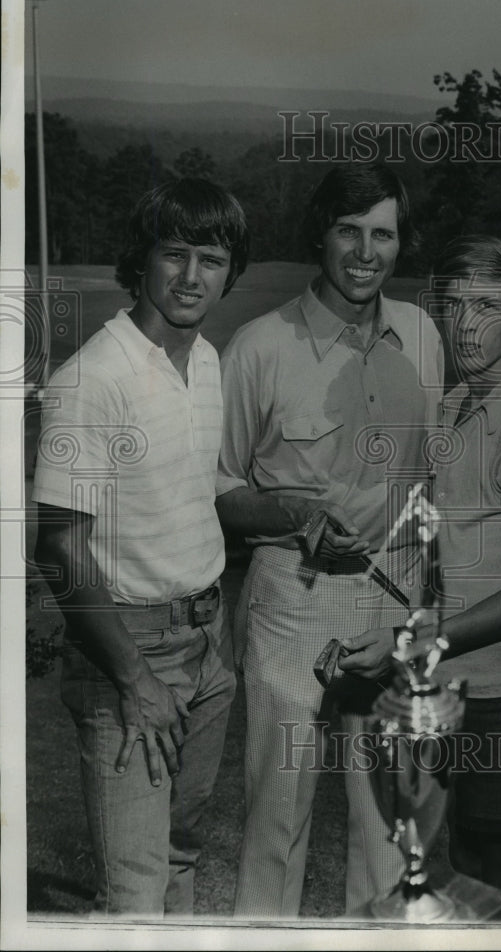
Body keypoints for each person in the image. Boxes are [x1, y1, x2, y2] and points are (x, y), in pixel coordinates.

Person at [215, 162, 444, 919]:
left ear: (400, 245)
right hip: (293, 598)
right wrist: (295, 517)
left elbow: (432, 484)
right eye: (349, 230)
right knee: (277, 819)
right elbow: (220, 491)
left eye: (383, 234)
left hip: (393, 603)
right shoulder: (259, 346)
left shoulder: (421, 334)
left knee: (385, 827)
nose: (365, 251)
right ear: (321, 234)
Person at [32, 178, 250, 916]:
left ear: (231, 269)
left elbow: (194, 493)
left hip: (210, 641)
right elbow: (58, 548)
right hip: (129, 651)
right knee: (133, 895)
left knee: (181, 857)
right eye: (175, 254)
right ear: (144, 260)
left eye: (211, 259)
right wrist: (135, 680)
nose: (192, 277)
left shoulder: (209, 362)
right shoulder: (92, 378)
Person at [380, 234, 501, 918]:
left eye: (486, 305)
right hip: (457, 682)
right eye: (453, 304)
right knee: (462, 868)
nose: (465, 324)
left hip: (500, 697)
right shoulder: (461, 405)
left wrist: (431, 642)